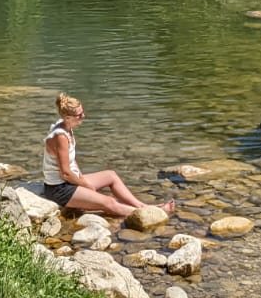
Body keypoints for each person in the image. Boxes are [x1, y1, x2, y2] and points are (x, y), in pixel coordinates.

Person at [41, 93, 173, 218]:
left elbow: (72, 162)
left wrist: (81, 178)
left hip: (69, 182)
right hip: (59, 189)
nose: (83, 116)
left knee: (111, 175)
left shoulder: (67, 127)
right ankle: (147, 214)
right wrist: (86, 185)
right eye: (79, 115)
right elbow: (65, 173)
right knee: (109, 202)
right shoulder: (60, 136)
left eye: (82, 112)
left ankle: (143, 205)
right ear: (67, 118)